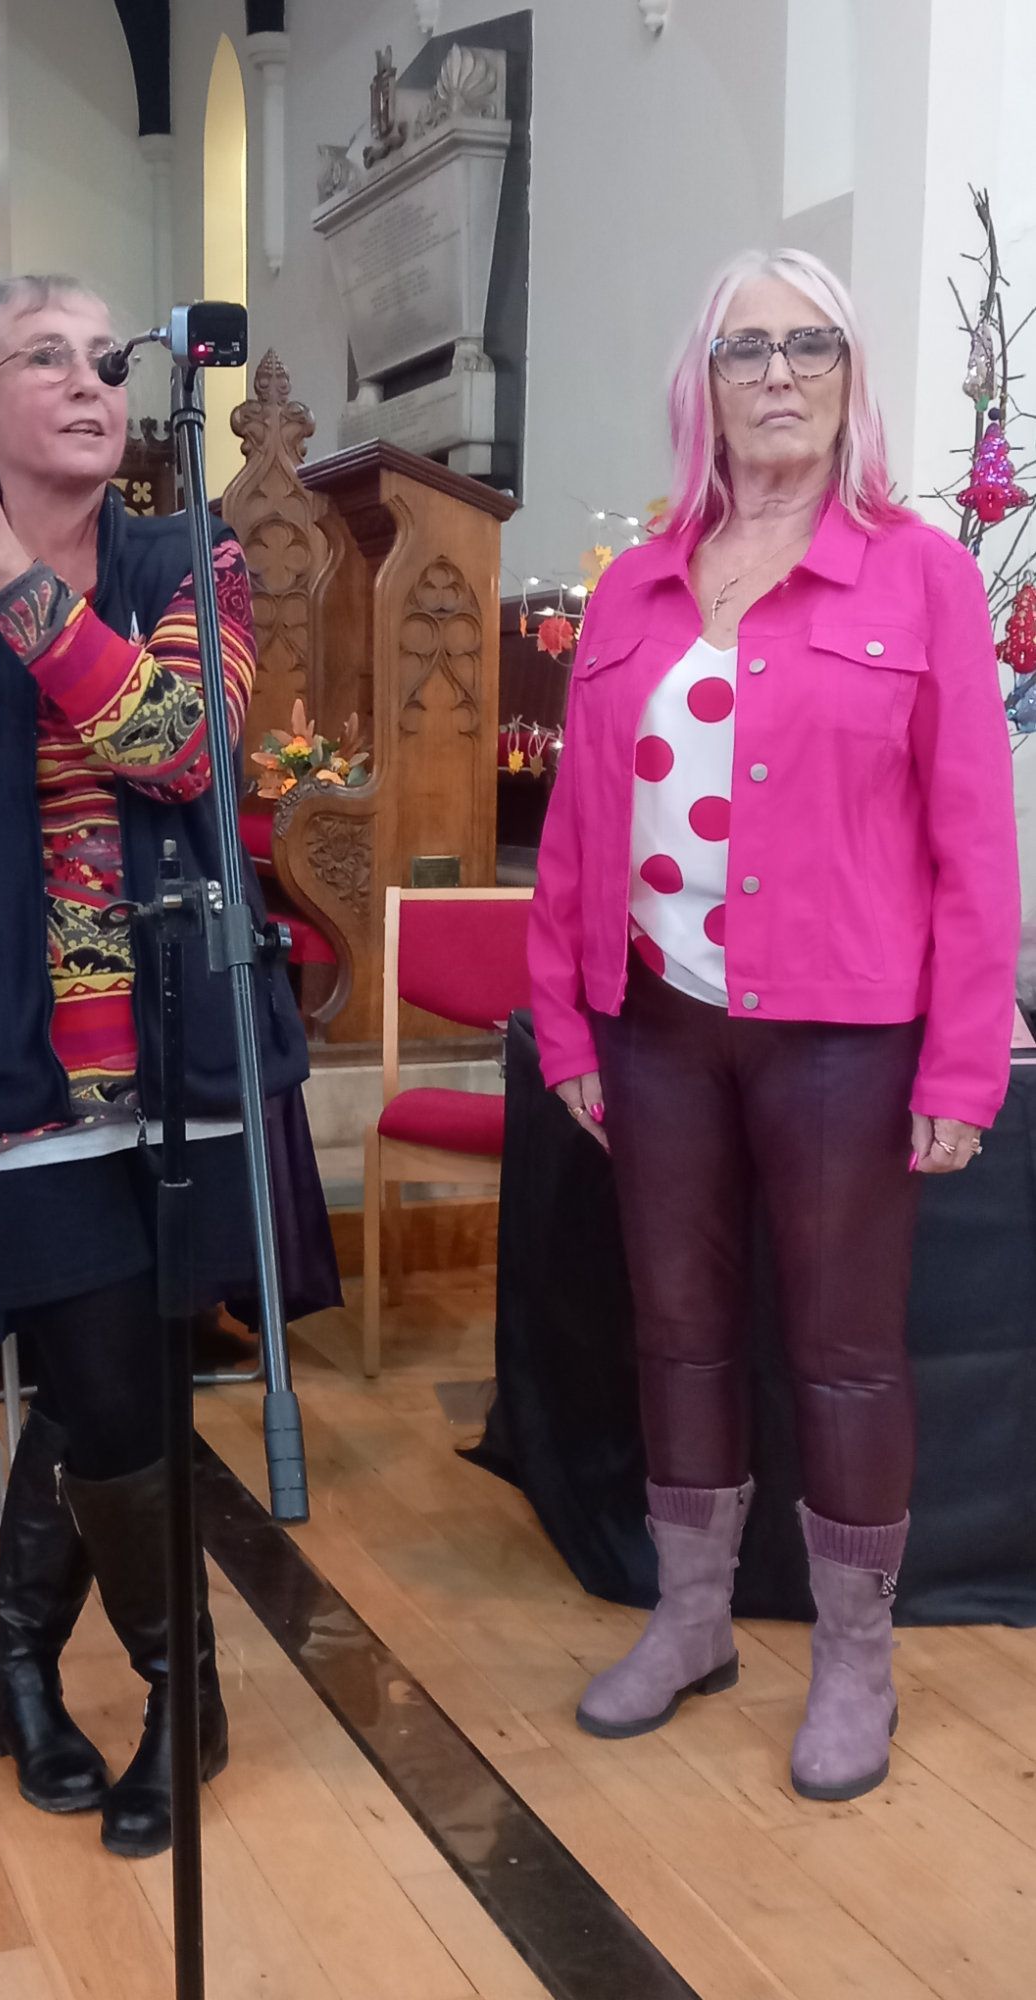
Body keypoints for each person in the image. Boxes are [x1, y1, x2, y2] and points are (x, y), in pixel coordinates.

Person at [0, 274, 316, 1859]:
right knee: (105, 1394)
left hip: (184, 1054)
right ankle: (191, 1688)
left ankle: (21, 1669)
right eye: (47, 359)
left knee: (131, 1380)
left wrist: (14, 574)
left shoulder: (192, 559)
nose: (94, 382)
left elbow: (175, 742)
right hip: (10, 1067)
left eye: (106, 359)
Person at [528, 248, 1020, 1803]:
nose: (781, 373)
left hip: (844, 1037)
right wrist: (565, 1033)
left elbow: (971, 840)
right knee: (676, 1330)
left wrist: (963, 1054)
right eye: (748, 349)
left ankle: (855, 1657)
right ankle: (690, 1621)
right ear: (707, 385)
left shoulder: (920, 573)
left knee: (846, 1353)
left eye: (811, 344)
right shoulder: (633, 586)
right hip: (660, 1026)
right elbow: (573, 842)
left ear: (852, 375)